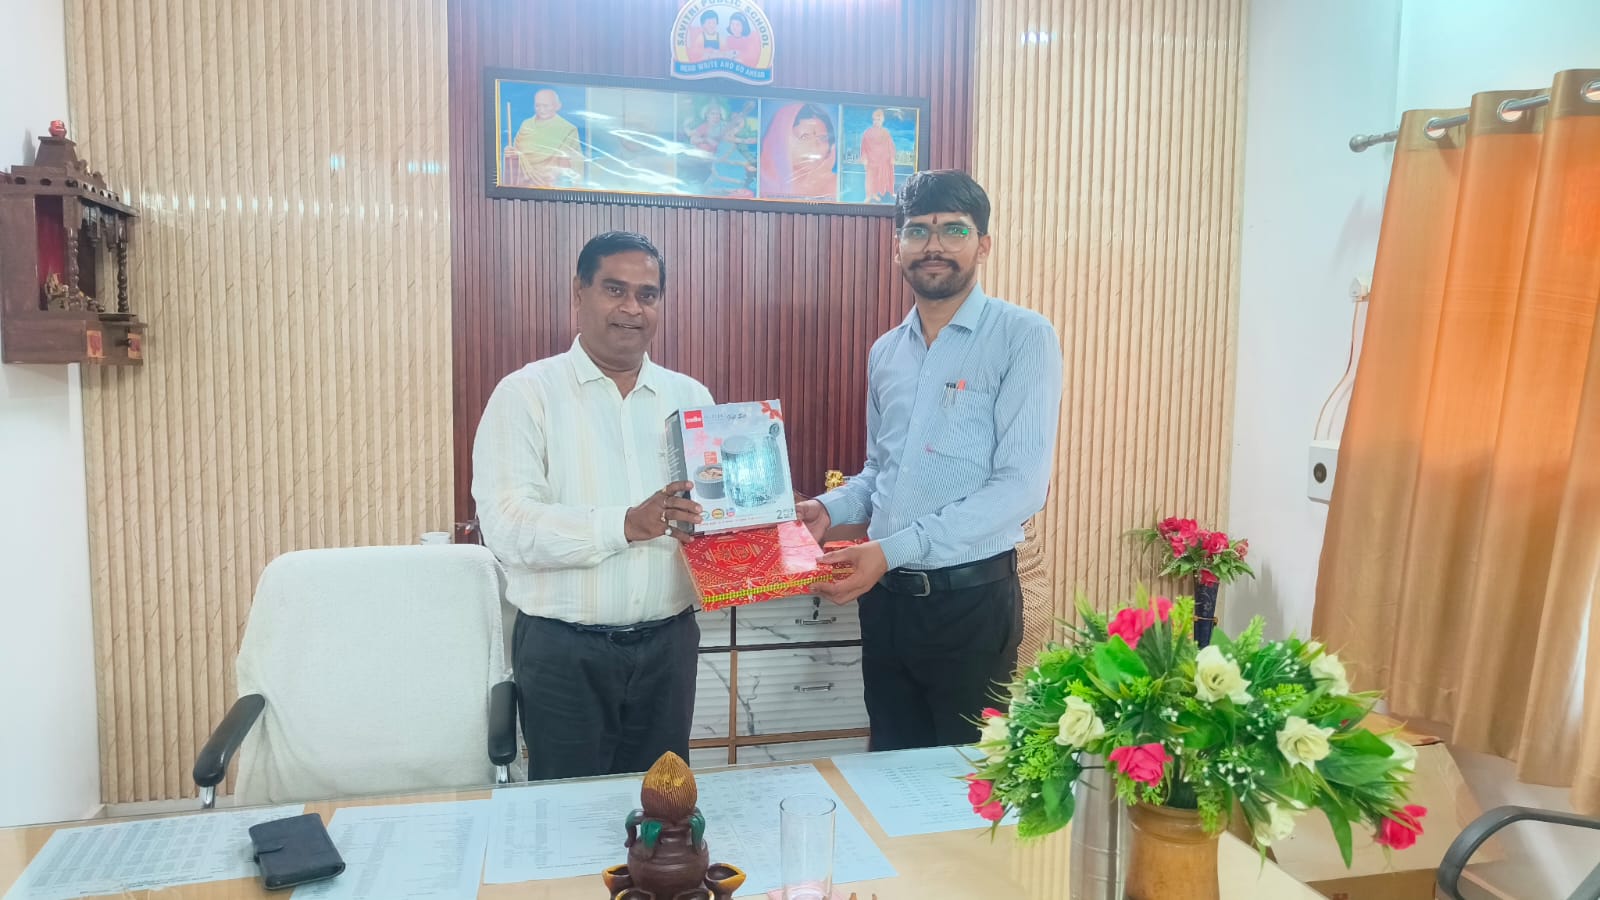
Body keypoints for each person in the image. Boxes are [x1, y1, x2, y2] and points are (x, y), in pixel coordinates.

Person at [802, 170, 1064, 751]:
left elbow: (1021, 487)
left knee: (966, 781)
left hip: (971, 605)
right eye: (918, 230)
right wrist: (827, 509)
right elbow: (880, 472)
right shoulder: (886, 351)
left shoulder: (1023, 336)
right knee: (890, 770)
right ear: (897, 246)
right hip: (886, 605)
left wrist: (890, 550)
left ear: (983, 244)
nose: (934, 245)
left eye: (954, 230)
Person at [472, 231, 712, 780]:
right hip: (564, 653)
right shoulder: (526, 394)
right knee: (568, 814)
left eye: (647, 295)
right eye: (614, 289)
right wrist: (625, 524)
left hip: (669, 649)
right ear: (578, 294)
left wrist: (763, 523)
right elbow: (507, 526)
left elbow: (710, 519)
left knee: (661, 810)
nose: (632, 308)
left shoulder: (691, 398)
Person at [505, 89, 583, 188]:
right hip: (524, 184)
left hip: (552, 185)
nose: (541, 110)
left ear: (557, 106)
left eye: (546, 106)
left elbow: (572, 163)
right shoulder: (526, 125)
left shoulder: (568, 129)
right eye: (538, 105)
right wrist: (511, 152)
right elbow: (517, 153)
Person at [759, 102, 838, 201]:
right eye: (804, 137)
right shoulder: (756, 183)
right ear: (780, 139)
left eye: (822, 138)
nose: (814, 146)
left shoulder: (838, 187)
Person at [860, 108, 898, 203]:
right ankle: (869, 195)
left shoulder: (885, 132)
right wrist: (864, 159)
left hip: (883, 161)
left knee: (879, 178)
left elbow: (890, 146)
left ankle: (876, 194)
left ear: (882, 120)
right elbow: (864, 147)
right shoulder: (867, 132)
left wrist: (892, 157)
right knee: (870, 178)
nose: (876, 122)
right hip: (871, 161)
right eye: (875, 120)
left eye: (879, 120)